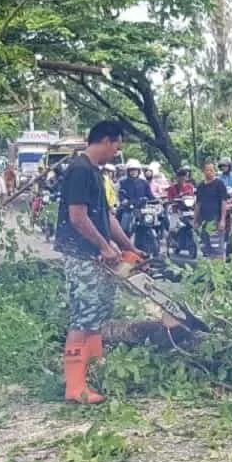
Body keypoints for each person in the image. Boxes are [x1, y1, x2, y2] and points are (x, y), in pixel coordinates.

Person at [54, 121, 141, 404]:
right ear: (105, 140)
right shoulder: (79, 171)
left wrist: (129, 247)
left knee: (98, 315)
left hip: (96, 256)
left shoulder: (94, 173)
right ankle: (75, 387)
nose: (117, 152)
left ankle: (96, 369)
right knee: (83, 318)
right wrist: (104, 247)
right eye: (117, 146)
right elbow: (78, 217)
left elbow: (107, 218)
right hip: (82, 255)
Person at [195, 160, 230, 257]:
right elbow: (198, 203)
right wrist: (196, 219)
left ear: (214, 171)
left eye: (211, 170)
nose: (209, 172)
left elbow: (224, 202)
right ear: (203, 171)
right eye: (207, 170)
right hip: (203, 219)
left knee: (217, 249)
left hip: (216, 219)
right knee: (205, 248)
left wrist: (222, 219)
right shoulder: (201, 186)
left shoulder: (219, 184)